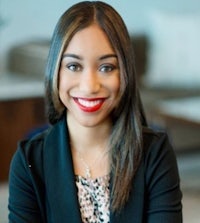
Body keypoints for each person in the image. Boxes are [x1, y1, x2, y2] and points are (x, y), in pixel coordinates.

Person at [8, 1, 182, 222]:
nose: (89, 86)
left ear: (125, 74)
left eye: (106, 67)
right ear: (55, 71)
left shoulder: (155, 153)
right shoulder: (29, 161)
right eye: (74, 66)